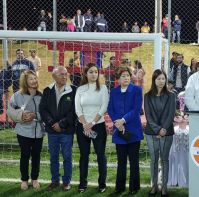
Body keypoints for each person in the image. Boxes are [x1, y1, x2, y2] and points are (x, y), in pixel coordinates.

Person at [107, 66, 143, 195]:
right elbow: (110, 109)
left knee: (134, 161)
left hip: (133, 130)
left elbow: (136, 109)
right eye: (123, 76)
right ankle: (119, 187)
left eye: (127, 75)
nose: (126, 78)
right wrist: (118, 123)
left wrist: (123, 120)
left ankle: (134, 187)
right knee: (121, 161)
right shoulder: (114, 91)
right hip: (119, 130)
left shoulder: (137, 90)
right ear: (118, 78)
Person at [39, 66, 76, 191]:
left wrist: (62, 124)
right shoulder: (47, 90)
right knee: (53, 156)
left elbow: (74, 111)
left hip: (67, 131)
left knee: (67, 156)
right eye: (61, 74)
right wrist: (51, 123)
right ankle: (55, 180)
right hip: (51, 131)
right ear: (54, 77)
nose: (65, 77)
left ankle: (66, 181)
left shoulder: (73, 90)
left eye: (66, 74)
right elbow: (43, 110)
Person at [75, 63, 109, 193]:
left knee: (100, 155)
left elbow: (103, 107)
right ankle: (82, 183)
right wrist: (85, 125)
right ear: (85, 74)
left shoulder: (103, 88)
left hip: (98, 126)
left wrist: (92, 124)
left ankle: (102, 184)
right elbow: (78, 109)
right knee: (84, 155)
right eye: (91, 72)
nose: (94, 74)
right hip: (82, 127)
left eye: (96, 72)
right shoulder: (80, 89)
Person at [7, 70, 44, 190]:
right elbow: (10, 111)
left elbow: (46, 113)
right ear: (25, 81)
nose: (34, 81)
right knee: (25, 155)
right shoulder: (17, 95)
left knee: (36, 156)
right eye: (31, 79)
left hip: (38, 131)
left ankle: (34, 179)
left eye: (35, 78)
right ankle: (24, 179)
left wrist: (35, 115)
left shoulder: (41, 95)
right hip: (23, 131)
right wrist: (21, 116)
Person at [144, 69, 176, 197]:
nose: (161, 81)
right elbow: (148, 115)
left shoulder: (171, 95)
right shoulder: (147, 96)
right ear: (154, 80)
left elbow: (171, 114)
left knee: (164, 159)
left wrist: (163, 129)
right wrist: (158, 130)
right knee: (153, 160)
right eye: (159, 79)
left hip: (167, 132)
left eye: (163, 79)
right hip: (151, 132)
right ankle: (154, 186)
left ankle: (164, 188)